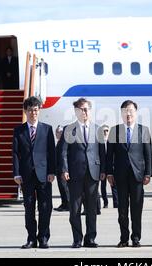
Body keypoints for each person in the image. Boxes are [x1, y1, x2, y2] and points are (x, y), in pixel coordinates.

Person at [61, 98, 106, 248]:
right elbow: (63, 152)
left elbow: (102, 152)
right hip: (75, 175)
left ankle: (90, 238)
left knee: (92, 209)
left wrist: (103, 170)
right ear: (76, 112)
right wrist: (64, 169)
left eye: (86, 109)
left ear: (90, 110)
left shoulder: (97, 129)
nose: (84, 112)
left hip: (93, 174)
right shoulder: (69, 129)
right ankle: (77, 239)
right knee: (75, 209)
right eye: (81, 109)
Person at [107, 100, 152, 248]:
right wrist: (109, 173)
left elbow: (147, 153)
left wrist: (148, 173)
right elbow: (110, 155)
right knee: (122, 210)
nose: (128, 113)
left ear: (136, 113)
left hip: (137, 175)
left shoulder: (143, 130)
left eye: (131, 110)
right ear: (121, 113)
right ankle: (124, 238)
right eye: (125, 111)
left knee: (137, 208)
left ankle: (136, 237)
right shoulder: (115, 131)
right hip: (120, 176)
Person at [12, 96, 56, 249]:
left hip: (44, 175)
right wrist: (16, 173)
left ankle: (43, 237)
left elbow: (52, 152)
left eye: (36, 110)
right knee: (29, 207)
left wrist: (52, 171)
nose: (33, 113)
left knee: (45, 207)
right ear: (25, 111)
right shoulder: (18, 131)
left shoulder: (47, 129)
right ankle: (31, 238)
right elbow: (15, 154)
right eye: (30, 110)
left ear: (39, 111)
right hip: (26, 176)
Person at [100, 125, 118, 209]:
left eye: (107, 130)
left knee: (113, 185)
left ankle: (116, 202)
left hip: (111, 166)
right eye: (103, 130)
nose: (105, 132)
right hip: (103, 167)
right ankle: (105, 202)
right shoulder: (99, 141)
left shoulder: (112, 141)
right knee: (103, 186)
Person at [54, 125, 70, 212]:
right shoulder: (59, 143)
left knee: (65, 187)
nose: (59, 133)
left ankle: (67, 204)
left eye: (61, 132)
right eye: (57, 132)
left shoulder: (64, 143)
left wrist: (65, 169)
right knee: (61, 187)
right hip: (58, 169)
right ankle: (64, 203)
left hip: (63, 169)